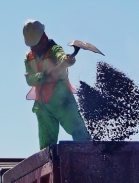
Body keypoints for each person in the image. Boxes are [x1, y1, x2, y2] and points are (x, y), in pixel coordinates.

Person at [23, 19, 91, 149]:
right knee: (46, 147)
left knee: (81, 136)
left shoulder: (54, 50)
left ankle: (91, 161)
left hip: (63, 101)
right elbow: (29, 80)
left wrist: (68, 61)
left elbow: (62, 58)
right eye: (32, 46)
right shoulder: (28, 57)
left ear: (43, 37)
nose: (34, 48)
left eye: (36, 45)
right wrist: (45, 75)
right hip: (43, 106)